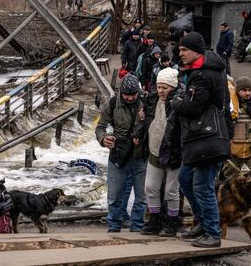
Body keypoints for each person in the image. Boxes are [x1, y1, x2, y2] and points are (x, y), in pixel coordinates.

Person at [171, 32, 230, 248]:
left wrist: (176, 100)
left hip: (207, 138)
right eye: (180, 50)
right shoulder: (202, 71)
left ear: (196, 51)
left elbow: (192, 106)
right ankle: (202, 223)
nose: (181, 54)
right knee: (186, 179)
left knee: (203, 186)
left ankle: (213, 233)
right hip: (201, 139)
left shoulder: (203, 75)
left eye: (184, 50)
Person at [133, 67, 182, 236]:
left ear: (173, 87)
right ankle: (154, 220)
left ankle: (172, 222)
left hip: (174, 150)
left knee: (171, 190)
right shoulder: (152, 99)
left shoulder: (179, 100)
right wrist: (138, 133)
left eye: (165, 87)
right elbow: (146, 118)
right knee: (150, 187)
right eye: (159, 86)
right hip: (154, 148)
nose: (161, 91)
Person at [95, 74, 147, 232]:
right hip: (119, 154)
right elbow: (100, 127)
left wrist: (146, 118)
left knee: (142, 196)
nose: (130, 98)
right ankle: (114, 226)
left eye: (134, 95)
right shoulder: (112, 103)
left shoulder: (147, 103)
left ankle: (137, 225)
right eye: (127, 95)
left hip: (141, 154)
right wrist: (103, 139)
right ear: (120, 92)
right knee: (115, 195)